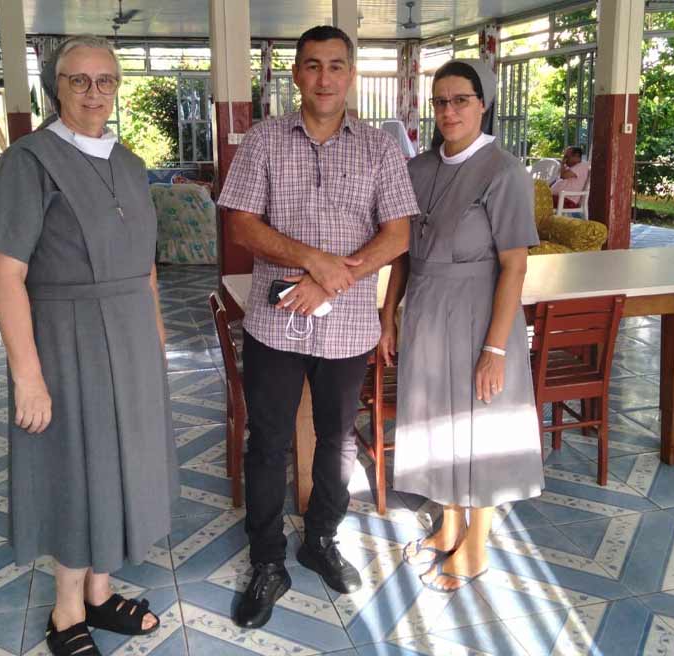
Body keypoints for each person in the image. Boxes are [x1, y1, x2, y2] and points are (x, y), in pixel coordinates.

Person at [218, 25, 419, 628]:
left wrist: (331, 279)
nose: (324, 78)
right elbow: (241, 224)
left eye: (336, 66)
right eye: (312, 65)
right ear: (296, 74)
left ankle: (321, 539)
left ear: (351, 75)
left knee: (338, 441)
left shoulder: (380, 148)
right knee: (268, 442)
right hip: (275, 324)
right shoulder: (264, 139)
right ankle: (267, 561)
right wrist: (312, 260)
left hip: (348, 326)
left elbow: (398, 234)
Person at [0, 35, 177, 656]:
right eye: (78, 80)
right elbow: (3, 273)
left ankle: (99, 592)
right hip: (67, 341)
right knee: (77, 468)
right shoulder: (28, 162)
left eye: (106, 80)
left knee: (120, 465)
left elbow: (145, 263)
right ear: (56, 87)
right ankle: (66, 612)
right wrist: (28, 376)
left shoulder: (129, 162)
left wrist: (155, 333)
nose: (94, 93)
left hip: (131, 336)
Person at [380, 60, 545, 593]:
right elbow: (403, 253)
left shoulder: (504, 171)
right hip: (426, 312)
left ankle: (477, 546)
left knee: (480, 427)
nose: (448, 111)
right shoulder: (419, 168)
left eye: (460, 100)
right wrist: (389, 316)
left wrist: (494, 350)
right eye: (440, 101)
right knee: (439, 422)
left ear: (483, 104)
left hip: (479, 315)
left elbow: (514, 265)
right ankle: (450, 525)